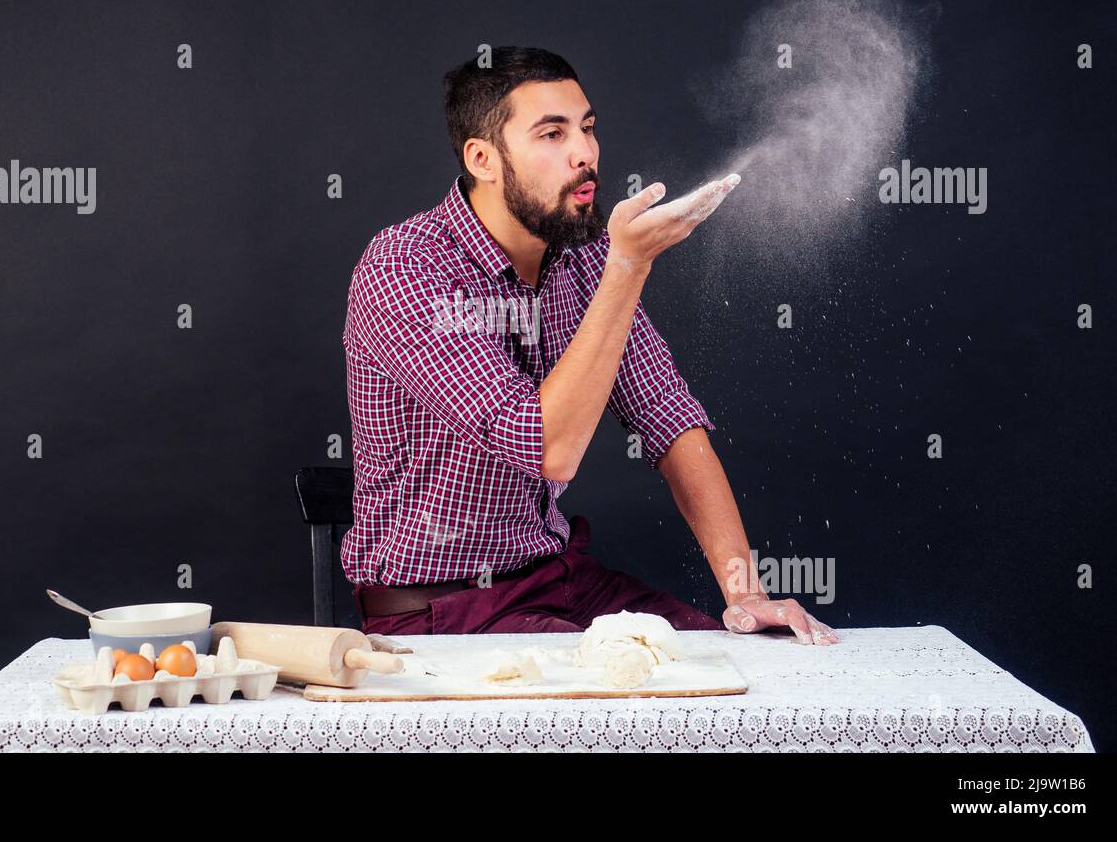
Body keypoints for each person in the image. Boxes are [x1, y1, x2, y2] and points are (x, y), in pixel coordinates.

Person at [341, 46, 837, 645]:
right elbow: (548, 448)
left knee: (736, 661)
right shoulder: (405, 267)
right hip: (436, 612)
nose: (585, 153)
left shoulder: (587, 260)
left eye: (588, 127)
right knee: (645, 701)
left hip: (558, 580)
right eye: (552, 134)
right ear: (483, 158)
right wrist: (628, 267)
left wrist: (745, 593)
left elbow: (668, 419)